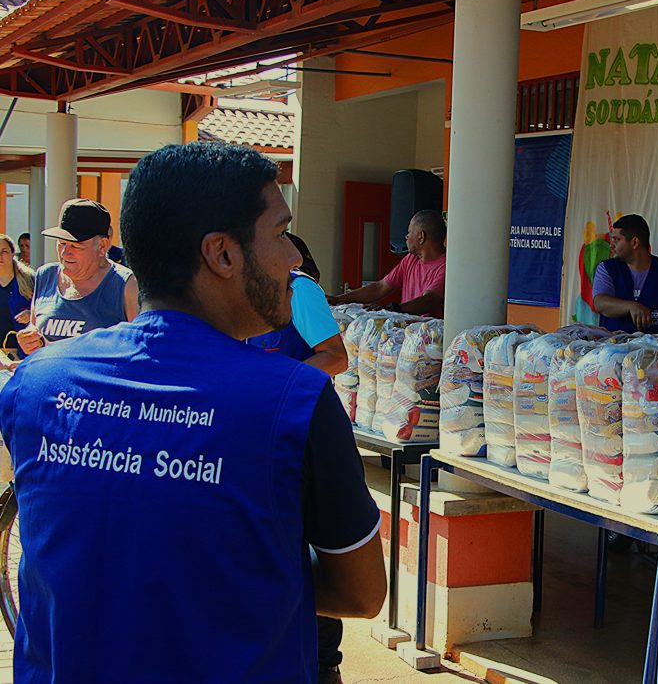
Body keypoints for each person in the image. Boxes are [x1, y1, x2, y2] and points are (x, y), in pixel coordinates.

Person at [0, 142, 387, 683]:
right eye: (280, 234)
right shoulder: (295, 401)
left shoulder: (36, 384)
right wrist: (234, 567)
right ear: (222, 254)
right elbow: (362, 592)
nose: (295, 258)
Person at [248, 231, 347, 684]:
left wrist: (277, 382)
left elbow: (335, 357)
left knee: (312, 546)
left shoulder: (299, 289)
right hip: (257, 434)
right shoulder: (241, 292)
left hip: (302, 433)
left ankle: (325, 664)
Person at [16, 199, 139, 356]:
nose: (64, 253)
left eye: (75, 246)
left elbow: (141, 350)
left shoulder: (126, 285)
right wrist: (30, 339)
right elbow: (35, 326)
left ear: (102, 246)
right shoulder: (45, 276)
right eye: (61, 243)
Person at [249, 232, 347, 377]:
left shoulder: (299, 288)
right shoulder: (228, 294)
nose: (297, 259)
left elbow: (336, 358)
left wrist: (275, 385)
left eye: (283, 233)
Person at [328, 209, 446, 317]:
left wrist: (392, 309)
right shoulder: (410, 259)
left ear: (421, 236)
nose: (406, 237)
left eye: (409, 232)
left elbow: (430, 300)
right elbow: (380, 287)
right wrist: (338, 299)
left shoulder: (446, 266)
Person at [0, 234, 34, 352]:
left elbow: (46, 309)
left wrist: (31, 314)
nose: (0, 256)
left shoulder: (30, 279)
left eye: (4, 251)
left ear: (13, 254)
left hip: (25, 351)